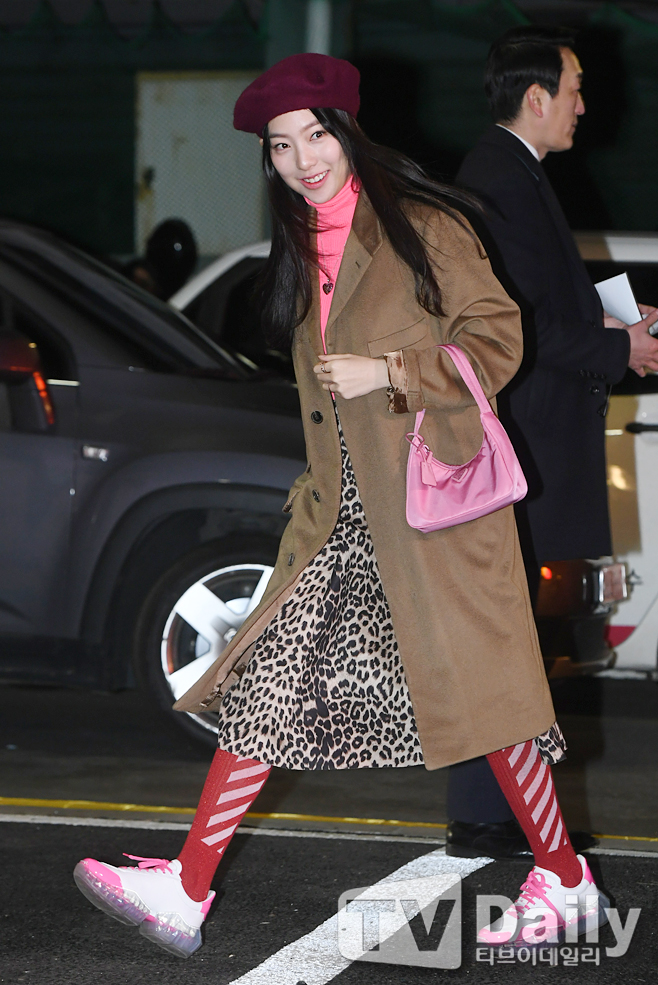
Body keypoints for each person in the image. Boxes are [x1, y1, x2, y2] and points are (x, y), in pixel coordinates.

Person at [73, 53, 610, 957]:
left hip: (435, 511)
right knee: (272, 684)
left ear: (350, 132)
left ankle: (563, 877)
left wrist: (392, 372)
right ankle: (187, 887)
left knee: (491, 704)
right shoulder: (300, 245)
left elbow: (498, 338)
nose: (302, 159)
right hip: (342, 518)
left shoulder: (424, 225)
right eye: (281, 145)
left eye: (316, 135)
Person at [445, 26, 658, 861]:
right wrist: (620, 346)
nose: (583, 104)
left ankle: (505, 813)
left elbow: (538, 304)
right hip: (522, 445)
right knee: (507, 635)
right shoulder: (501, 179)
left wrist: (612, 322)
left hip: (532, 442)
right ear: (535, 96)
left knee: (518, 635)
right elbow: (518, 331)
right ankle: (489, 815)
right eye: (573, 88)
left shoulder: (516, 173)